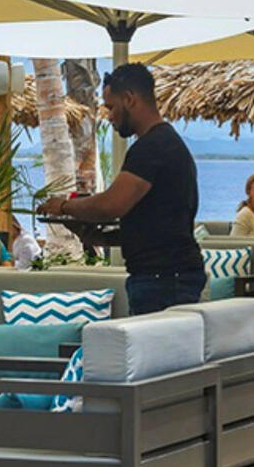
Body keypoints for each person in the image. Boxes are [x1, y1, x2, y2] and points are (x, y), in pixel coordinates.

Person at [41, 63, 204, 313]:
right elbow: (157, 228)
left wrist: (64, 206)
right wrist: (95, 237)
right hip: (170, 275)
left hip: (163, 279)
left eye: (111, 107)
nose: (109, 116)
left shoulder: (152, 148)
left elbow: (111, 205)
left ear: (129, 99)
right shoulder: (166, 143)